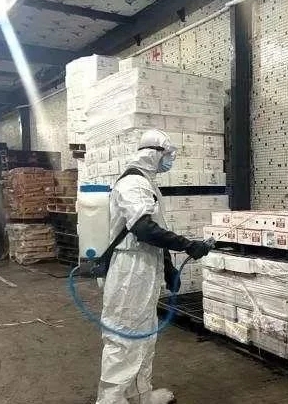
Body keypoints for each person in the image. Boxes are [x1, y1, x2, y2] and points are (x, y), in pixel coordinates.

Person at [96, 129, 213, 404]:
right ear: (154, 153)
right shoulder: (133, 183)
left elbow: (155, 230)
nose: (170, 160)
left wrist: (169, 268)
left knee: (144, 335)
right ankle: (111, 400)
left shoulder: (146, 183)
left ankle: (140, 395)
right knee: (123, 336)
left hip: (144, 266)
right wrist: (187, 245)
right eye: (168, 155)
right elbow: (144, 229)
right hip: (130, 269)